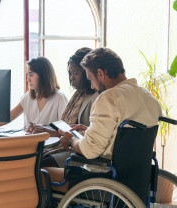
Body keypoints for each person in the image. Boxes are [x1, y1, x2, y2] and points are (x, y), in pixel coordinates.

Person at [45, 48, 162, 186]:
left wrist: (72, 141)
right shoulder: (148, 98)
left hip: (104, 177)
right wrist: (90, 131)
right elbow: (123, 138)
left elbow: (90, 150)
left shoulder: (108, 98)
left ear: (100, 73)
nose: (92, 86)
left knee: (41, 173)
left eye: (91, 79)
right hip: (136, 178)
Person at [28, 47, 99, 168]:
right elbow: (68, 129)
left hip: (79, 153)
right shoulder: (79, 95)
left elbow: (82, 135)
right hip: (71, 147)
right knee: (31, 159)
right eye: (70, 74)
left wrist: (55, 134)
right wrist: (49, 131)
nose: (72, 78)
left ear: (88, 72)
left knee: (37, 164)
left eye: (76, 73)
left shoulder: (95, 98)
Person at [0, 57, 68, 129]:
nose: (28, 80)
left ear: (43, 75)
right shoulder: (28, 97)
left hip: (49, 149)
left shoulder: (59, 98)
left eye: (31, 74)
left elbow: (65, 129)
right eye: (27, 75)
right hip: (31, 147)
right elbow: (7, 118)